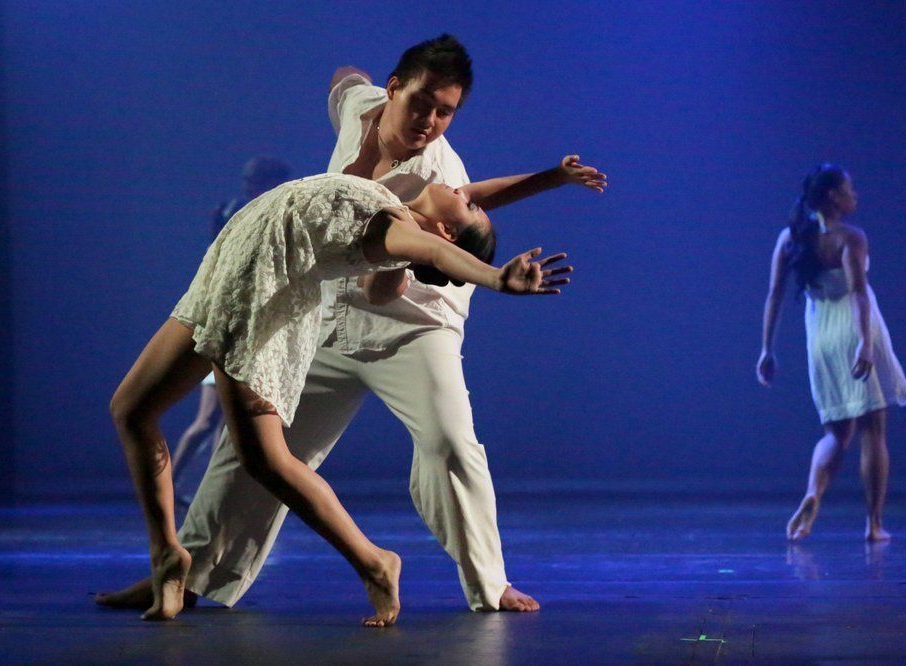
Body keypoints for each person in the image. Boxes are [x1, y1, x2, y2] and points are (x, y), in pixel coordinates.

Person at [97, 34, 606, 616]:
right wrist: (551, 176)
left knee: (448, 443)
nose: (431, 122)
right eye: (423, 104)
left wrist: (492, 275)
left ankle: (487, 583)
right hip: (323, 312)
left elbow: (440, 240)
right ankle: (186, 573)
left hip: (415, 325)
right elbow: (346, 78)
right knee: (252, 451)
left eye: (446, 113)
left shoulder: (434, 170)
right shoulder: (362, 107)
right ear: (393, 89)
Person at [109, 169, 573, 624]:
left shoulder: (399, 234)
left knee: (265, 461)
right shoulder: (397, 207)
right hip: (222, 277)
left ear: (448, 230)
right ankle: (167, 556)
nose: (464, 189)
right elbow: (445, 219)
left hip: (257, 300)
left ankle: (374, 562)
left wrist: (495, 278)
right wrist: (553, 176)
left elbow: (435, 250)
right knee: (131, 411)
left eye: (469, 206)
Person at [756, 164, 906, 542]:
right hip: (855, 328)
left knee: (836, 433)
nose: (854, 195)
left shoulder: (790, 238)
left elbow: (774, 295)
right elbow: (858, 292)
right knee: (873, 429)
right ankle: (873, 524)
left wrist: (767, 349)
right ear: (832, 196)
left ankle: (813, 492)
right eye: (849, 189)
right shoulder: (850, 237)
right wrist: (864, 342)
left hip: (820, 334)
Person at [171, 157, 291, 505]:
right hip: (227, 324)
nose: (249, 185)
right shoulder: (231, 211)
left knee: (232, 423)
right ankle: (173, 482)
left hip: (254, 325)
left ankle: (214, 491)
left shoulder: (276, 212)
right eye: (247, 179)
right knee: (210, 420)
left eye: (255, 179)